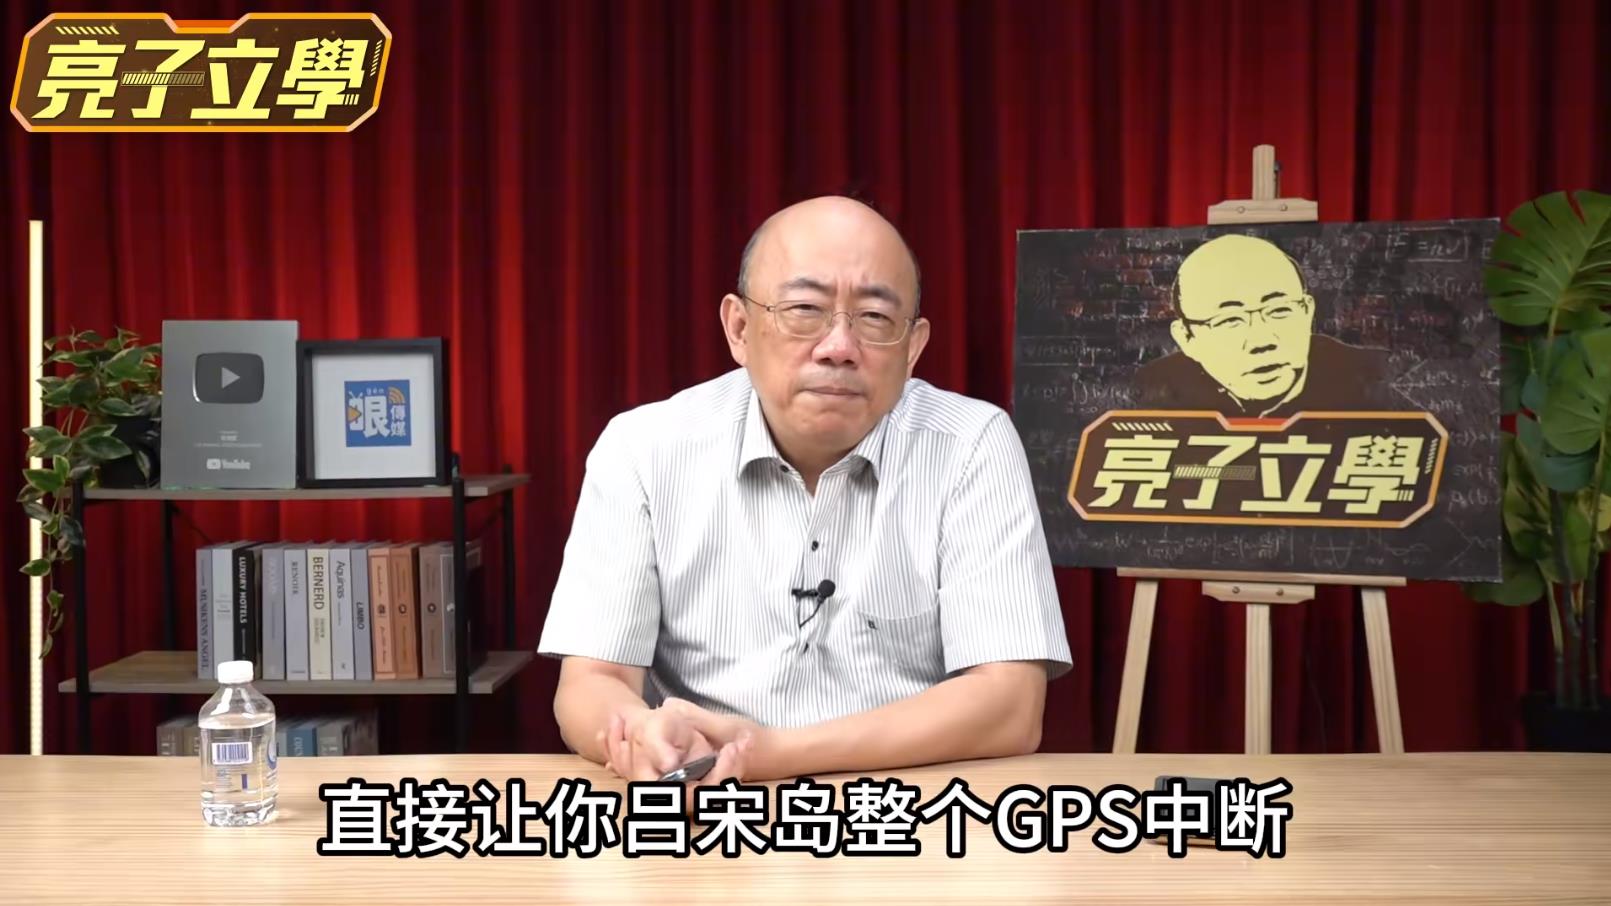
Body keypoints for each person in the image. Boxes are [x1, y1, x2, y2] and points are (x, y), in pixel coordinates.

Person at [537, 195, 1071, 786]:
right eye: (804, 310)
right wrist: (643, 737)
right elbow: (591, 682)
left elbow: (1011, 704)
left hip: (909, 802)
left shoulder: (972, 444)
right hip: (701, 802)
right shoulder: (643, 448)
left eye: (875, 317)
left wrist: (769, 755)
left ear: (914, 347)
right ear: (739, 329)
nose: (838, 347)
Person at [1134, 234, 1399, 418]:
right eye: (1230, 320)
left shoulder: (1374, 379)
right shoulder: (1155, 388)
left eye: (1279, 311)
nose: (1261, 341)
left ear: (1307, 312)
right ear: (1187, 339)